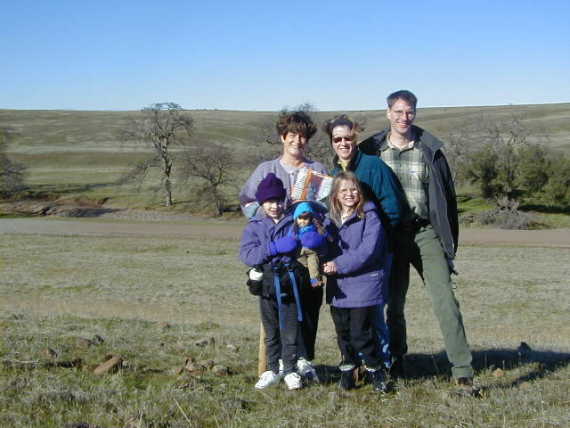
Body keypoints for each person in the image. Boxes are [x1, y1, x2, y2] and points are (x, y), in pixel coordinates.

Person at [359, 90, 478, 395]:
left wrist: (449, 244)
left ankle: (462, 370)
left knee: (445, 301)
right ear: (388, 113)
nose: (404, 117)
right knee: (392, 303)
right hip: (388, 236)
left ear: (415, 113)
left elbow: (447, 200)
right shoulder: (371, 151)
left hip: (425, 233)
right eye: (398, 112)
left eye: (409, 112)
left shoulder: (430, 150)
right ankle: (396, 359)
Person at [240, 110, 327, 379]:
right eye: (292, 136)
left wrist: (310, 219)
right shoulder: (265, 169)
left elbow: (326, 208)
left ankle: (303, 359)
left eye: (302, 137)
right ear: (282, 137)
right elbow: (247, 202)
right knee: (276, 310)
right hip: (275, 257)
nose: (297, 141)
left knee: (309, 307)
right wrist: (272, 220)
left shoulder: (318, 171)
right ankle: (275, 362)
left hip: (306, 256)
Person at [323, 114, 410, 370]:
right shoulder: (335, 171)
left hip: (376, 253)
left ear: (356, 138)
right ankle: (358, 365)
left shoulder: (374, 166)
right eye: (337, 139)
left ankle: (384, 364)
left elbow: (393, 209)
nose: (343, 143)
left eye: (348, 138)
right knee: (351, 318)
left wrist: (376, 240)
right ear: (331, 142)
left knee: (374, 313)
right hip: (346, 257)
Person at [239, 173, 308, 390]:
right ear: (262, 203)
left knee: (290, 329)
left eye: (278, 201)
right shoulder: (255, 226)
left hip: (289, 282)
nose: (274, 206)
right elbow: (247, 256)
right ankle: (272, 369)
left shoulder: (294, 222)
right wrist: (273, 248)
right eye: (269, 201)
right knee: (270, 329)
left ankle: (289, 369)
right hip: (267, 284)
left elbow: (304, 244)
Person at [323, 172, 390, 392]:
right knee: (342, 332)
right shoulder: (328, 219)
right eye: (343, 190)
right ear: (335, 195)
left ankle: (375, 371)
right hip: (338, 286)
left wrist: (338, 264)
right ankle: (348, 370)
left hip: (363, 283)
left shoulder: (370, 216)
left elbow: (368, 251)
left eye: (353, 189)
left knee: (361, 332)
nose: (349, 194)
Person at [292, 201, 329, 288]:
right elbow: (291, 236)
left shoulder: (314, 227)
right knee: (307, 263)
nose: (302, 221)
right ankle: (314, 268)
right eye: (300, 218)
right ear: (296, 218)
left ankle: (315, 280)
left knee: (313, 259)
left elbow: (324, 234)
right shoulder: (294, 228)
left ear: (311, 218)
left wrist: (323, 237)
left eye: (305, 219)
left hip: (311, 250)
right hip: (299, 250)